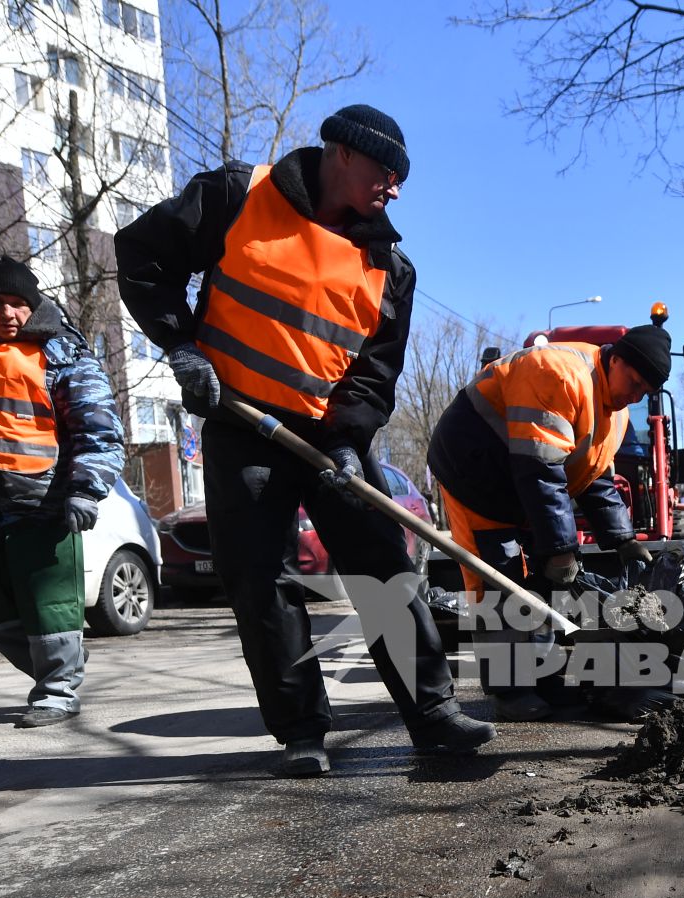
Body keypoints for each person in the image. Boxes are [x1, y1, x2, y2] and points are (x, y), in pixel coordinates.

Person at [115, 104, 492, 774]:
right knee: (260, 578)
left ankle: (433, 716)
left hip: (327, 441)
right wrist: (180, 346)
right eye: (387, 170)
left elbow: (375, 376)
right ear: (342, 153)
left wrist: (350, 440)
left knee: (382, 569)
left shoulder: (390, 269)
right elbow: (143, 254)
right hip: (242, 424)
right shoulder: (239, 195)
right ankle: (301, 733)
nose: (396, 188)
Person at [426, 321, 672, 722]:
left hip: (518, 485)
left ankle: (543, 676)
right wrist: (560, 549)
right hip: (475, 474)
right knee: (499, 578)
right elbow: (539, 468)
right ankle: (510, 690)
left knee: (541, 582)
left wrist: (622, 538)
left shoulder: (616, 414)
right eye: (635, 382)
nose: (635, 394)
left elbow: (595, 478)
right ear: (617, 359)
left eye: (645, 391)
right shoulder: (559, 374)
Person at [0, 257, 124, 728]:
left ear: (33, 306)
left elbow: (97, 429)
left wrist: (86, 490)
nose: (10, 314)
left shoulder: (63, 355)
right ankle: (53, 670)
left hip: (46, 504)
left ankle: (58, 689)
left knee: (49, 601)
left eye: (19, 304)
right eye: (0, 303)